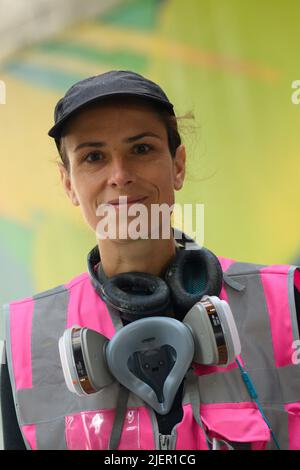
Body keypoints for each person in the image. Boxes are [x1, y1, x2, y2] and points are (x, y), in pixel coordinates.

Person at [1, 70, 300, 451]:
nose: (120, 175)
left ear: (177, 165)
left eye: (141, 149)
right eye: (94, 157)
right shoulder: (25, 338)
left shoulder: (285, 300)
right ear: (68, 184)